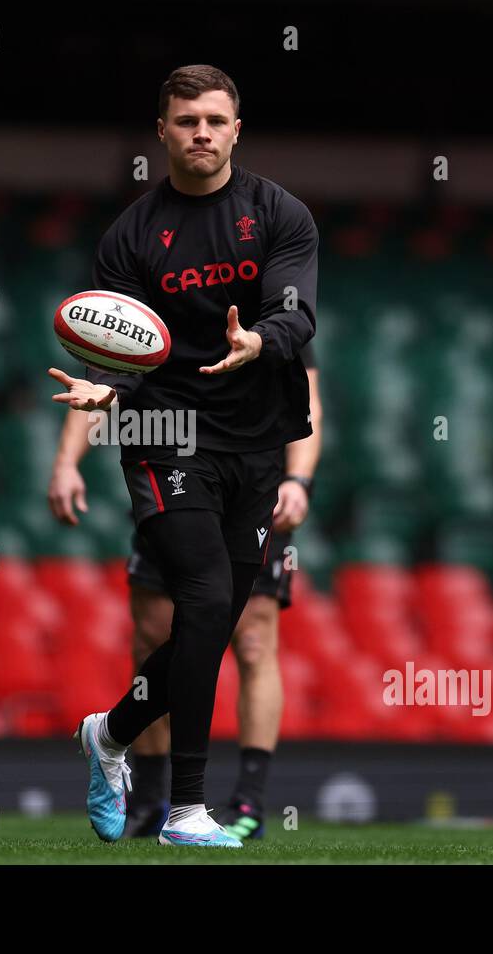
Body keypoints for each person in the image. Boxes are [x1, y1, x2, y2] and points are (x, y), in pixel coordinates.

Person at [48, 64, 318, 847]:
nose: (201, 132)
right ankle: (188, 810)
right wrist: (105, 393)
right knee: (202, 596)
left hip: (256, 434)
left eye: (214, 119)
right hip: (161, 427)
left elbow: (297, 315)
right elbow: (110, 344)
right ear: (161, 132)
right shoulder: (130, 234)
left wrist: (258, 339)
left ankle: (110, 732)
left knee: (216, 615)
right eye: (185, 120)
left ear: (237, 129)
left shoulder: (280, 216)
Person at [48, 349, 322, 840]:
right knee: (157, 631)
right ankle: (152, 796)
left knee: (247, 636)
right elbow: (110, 361)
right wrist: (67, 461)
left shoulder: (268, 301)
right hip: (171, 455)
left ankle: (246, 800)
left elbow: (308, 398)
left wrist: (298, 478)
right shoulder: (162, 290)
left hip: (251, 472)